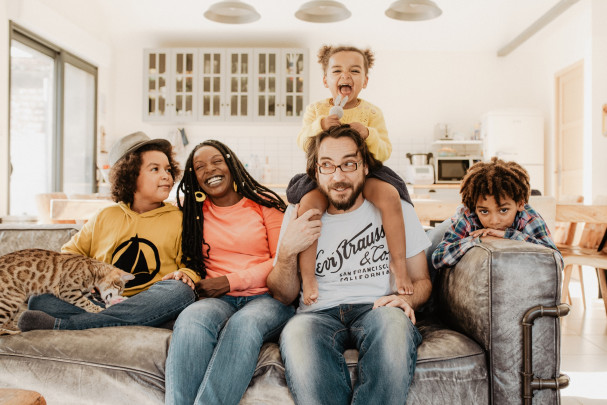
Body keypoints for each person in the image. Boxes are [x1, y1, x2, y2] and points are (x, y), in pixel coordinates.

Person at [267, 125, 432, 405]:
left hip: (379, 307)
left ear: (365, 166)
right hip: (315, 315)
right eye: (327, 166)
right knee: (297, 336)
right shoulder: (299, 214)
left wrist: (408, 300)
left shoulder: (397, 208)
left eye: (348, 164)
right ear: (316, 171)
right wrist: (286, 253)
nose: (339, 177)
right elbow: (282, 294)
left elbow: (423, 281)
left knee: (394, 325)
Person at [18, 131, 200, 331]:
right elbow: (68, 257)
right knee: (40, 299)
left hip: (151, 297)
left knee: (180, 292)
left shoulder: (179, 218)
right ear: (130, 176)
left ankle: (65, 325)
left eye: (167, 169)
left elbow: (192, 265)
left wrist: (185, 274)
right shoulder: (105, 216)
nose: (166, 176)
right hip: (102, 299)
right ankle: (146, 318)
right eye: (154, 169)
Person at [164, 140, 297, 405]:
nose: (209, 170)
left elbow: (281, 260)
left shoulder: (264, 203)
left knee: (244, 324)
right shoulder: (193, 212)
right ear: (194, 177)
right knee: (191, 319)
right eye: (199, 167)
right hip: (217, 300)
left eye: (216, 161)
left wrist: (228, 282)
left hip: (267, 297)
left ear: (231, 163)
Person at [289, 44, 414, 306]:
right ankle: (309, 276)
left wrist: (368, 134)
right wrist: (320, 126)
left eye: (354, 71)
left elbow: (385, 151)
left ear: (365, 81)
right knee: (309, 206)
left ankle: (399, 263)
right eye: (337, 70)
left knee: (391, 196)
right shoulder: (316, 110)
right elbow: (303, 141)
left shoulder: (372, 113)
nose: (346, 76)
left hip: (367, 172)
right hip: (325, 174)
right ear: (326, 80)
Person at [432, 157, 560, 270]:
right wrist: (479, 239)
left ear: (520, 204)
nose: (494, 221)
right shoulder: (469, 217)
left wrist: (508, 236)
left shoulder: (528, 218)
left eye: (503, 210)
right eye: (484, 211)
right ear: (475, 208)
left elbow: (556, 261)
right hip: (443, 229)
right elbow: (438, 259)